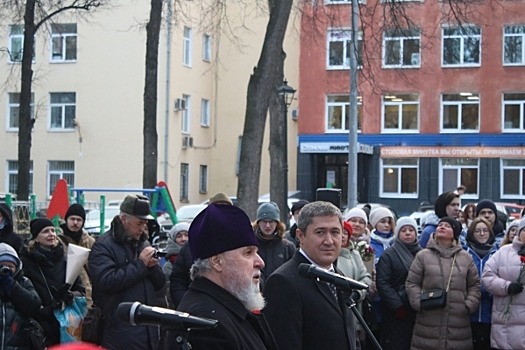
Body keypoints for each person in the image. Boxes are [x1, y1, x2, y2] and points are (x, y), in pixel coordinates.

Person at [168, 203, 277, 350]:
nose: (260, 262)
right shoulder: (205, 324)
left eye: (256, 252)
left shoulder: (229, 307)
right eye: (248, 253)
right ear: (217, 262)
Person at [263, 201, 358, 350]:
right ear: (300, 235)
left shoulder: (337, 275)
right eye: (320, 232)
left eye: (335, 232)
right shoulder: (283, 282)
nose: (329, 241)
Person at [88, 195, 165, 350]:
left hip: (148, 329)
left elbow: (160, 284)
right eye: (139, 223)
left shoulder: (143, 243)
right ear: (124, 219)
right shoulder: (103, 246)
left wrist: (152, 267)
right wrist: (141, 265)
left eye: (145, 223)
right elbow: (106, 282)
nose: (143, 228)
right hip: (120, 331)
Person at [406, 217, 480, 349]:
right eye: (440, 225)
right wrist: (418, 303)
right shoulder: (423, 255)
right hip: (428, 320)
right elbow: (412, 283)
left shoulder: (465, 258)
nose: (442, 227)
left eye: (447, 225)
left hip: (458, 322)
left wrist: (469, 305)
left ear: (455, 233)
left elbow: (474, 285)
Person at [20, 218, 85, 347]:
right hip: (42, 326)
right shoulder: (27, 262)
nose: (51, 234)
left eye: (53, 230)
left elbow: (81, 290)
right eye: (45, 231)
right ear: (36, 238)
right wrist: (45, 310)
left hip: (67, 324)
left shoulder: (66, 259)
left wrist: (71, 295)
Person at [169, 192, 233, 308]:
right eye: (216, 209)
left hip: (231, 311)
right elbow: (178, 281)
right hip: (197, 311)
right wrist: (187, 305)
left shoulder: (241, 243)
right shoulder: (191, 245)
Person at [376, 217, 421, 350]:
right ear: (397, 233)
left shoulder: (423, 253)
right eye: (404, 230)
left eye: (411, 230)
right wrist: (397, 306)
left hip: (418, 309)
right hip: (396, 312)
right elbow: (383, 283)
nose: (408, 233)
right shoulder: (389, 255)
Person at [481, 219, 525, 350]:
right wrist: (506, 287)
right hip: (506, 325)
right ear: (519, 232)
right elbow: (487, 277)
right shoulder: (504, 252)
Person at [0, 242, 41, 349]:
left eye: (10, 266)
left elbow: (34, 305)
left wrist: (13, 287)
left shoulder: (23, 282)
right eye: (2, 266)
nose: (6, 269)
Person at [464, 217, 497, 349]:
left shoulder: (497, 254)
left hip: (491, 315)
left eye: (485, 231)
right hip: (468, 316)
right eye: (477, 231)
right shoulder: (464, 254)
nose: (482, 234)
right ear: (472, 234)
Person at [338, 220, 372, 346]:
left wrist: (357, 293)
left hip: (354, 310)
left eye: (345, 233)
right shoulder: (327, 256)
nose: (342, 236)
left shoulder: (355, 255)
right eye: (338, 232)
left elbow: (366, 278)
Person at [57, 203, 95, 306]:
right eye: (72, 219)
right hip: (70, 292)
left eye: (79, 220)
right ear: (66, 220)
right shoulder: (58, 242)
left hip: (91, 292)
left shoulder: (90, 241)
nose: (75, 223)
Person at [253, 202, 296, 287]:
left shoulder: (287, 247)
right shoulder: (251, 246)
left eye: (271, 221)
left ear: (277, 223)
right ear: (258, 223)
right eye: (264, 221)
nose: (268, 225)